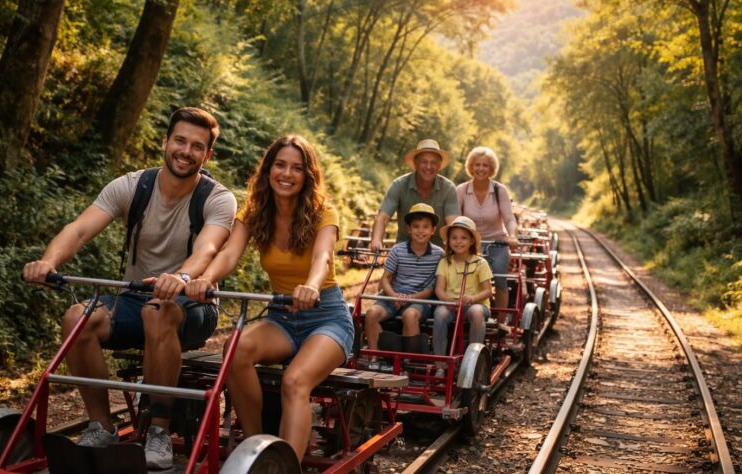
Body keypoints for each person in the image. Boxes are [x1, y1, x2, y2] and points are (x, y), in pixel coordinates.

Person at [22, 107, 237, 469]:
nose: (186, 151)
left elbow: (208, 249)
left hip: (193, 304)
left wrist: (181, 278)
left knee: (158, 311)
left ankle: (158, 432)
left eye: (197, 146)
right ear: (165, 142)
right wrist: (48, 262)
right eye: (180, 141)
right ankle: (101, 425)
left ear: (207, 155)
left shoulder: (217, 198)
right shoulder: (132, 186)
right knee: (78, 317)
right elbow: (79, 229)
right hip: (136, 297)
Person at [184, 134, 353, 463]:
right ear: (268, 169)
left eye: (296, 168)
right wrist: (205, 279)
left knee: (294, 381)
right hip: (282, 317)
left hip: (326, 316)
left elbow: (322, 259)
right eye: (280, 165)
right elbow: (229, 254)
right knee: (236, 351)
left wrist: (312, 286)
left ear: (308, 176)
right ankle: (259, 451)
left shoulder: (323, 213)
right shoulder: (254, 213)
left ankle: (287, 467)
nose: (286, 174)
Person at [363, 203, 445, 364]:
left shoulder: (438, 254)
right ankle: (376, 356)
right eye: (416, 227)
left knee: (410, 315)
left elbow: (432, 288)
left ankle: (410, 361)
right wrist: (394, 295)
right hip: (395, 295)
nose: (420, 231)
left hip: (420, 299)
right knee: (372, 313)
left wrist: (410, 297)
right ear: (409, 229)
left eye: (425, 227)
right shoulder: (398, 250)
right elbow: (386, 278)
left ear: (432, 230)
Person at [456, 146, 518, 319]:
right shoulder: (461, 190)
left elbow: (509, 218)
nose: (481, 169)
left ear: (491, 169)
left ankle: (499, 320)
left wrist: (512, 235)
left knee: (499, 278)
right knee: (466, 281)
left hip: (497, 244)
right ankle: (469, 315)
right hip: (469, 246)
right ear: (471, 167)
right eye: (477, 165)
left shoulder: (500, 190)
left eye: (485, 165)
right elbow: (456, 220)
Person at [369, 139, 459, 251]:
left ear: (439, 166)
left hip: (437, 251)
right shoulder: (399, 185)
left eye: (433, 163)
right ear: (415, 163)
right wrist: (376, 240)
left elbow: (453, 224)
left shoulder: (448, 188)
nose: (428, 167)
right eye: (424, 162)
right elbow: (382, 218)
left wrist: (455, 247)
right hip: (404, 248)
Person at [432, 216, 493, 378]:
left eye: (464, 238)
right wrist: (447, 301)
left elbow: (488, 291)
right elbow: (439, 289)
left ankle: (473, 360)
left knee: (476, 312)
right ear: (449, 241)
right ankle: (440, 364)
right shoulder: (445, 262)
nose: (458, 242)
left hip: (476, 304)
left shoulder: (480, 263)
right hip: (451, 304)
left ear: (472, 241)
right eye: (454, 238)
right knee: (440, 313)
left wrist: (472, 298)